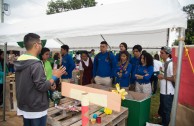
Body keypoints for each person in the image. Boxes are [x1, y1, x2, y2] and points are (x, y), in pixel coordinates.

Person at [14, 33, 66, 126]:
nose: (42, 46)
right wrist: (55, 76)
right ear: (36, 45)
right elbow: (41, 86)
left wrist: (49, 84)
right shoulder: (35, 64)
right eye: (41, 43)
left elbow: (30, 83)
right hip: (36, 105)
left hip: (25, 104)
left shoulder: (20, 61)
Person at [157, 46, 175, 126]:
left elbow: (174, 79)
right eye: (160, 52)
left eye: (162, 53)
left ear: (168, 54)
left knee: (166, 111)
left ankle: (165, 124)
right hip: (163, 91)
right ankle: (163, 122)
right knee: (163, 109)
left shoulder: (171, 64)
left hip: (168, 92)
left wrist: (163, 77)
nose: (160, 54)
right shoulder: (164, 63)